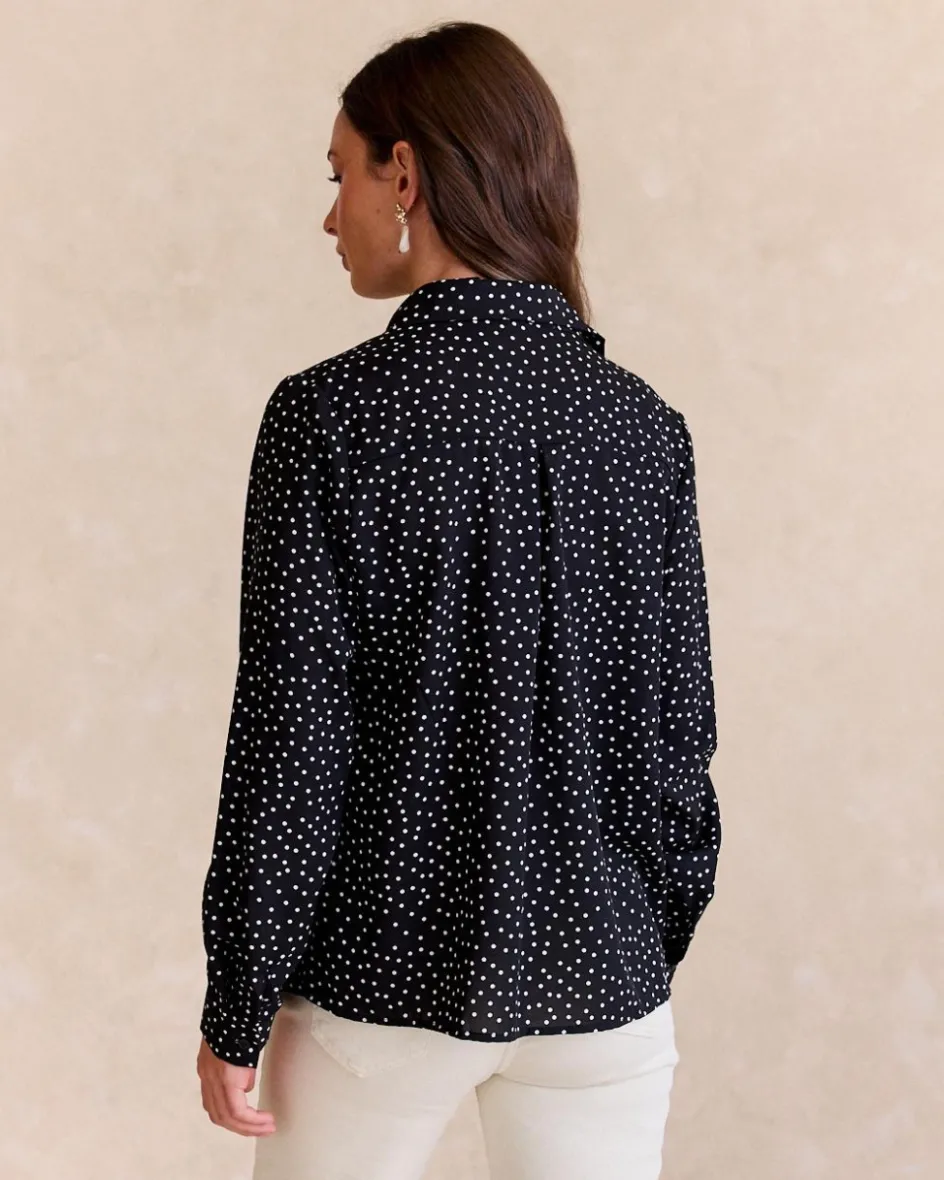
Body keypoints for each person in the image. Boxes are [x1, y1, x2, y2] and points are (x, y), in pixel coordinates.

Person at [196, 20, 721, 1180]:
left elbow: (293, 743)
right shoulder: (643, 429)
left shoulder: (329, 418)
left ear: (405, 174)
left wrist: (237, 997)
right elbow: (675, 744)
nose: (329, 217)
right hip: (600, 984)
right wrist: (637, 941)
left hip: (379, 980)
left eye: (338, 175)